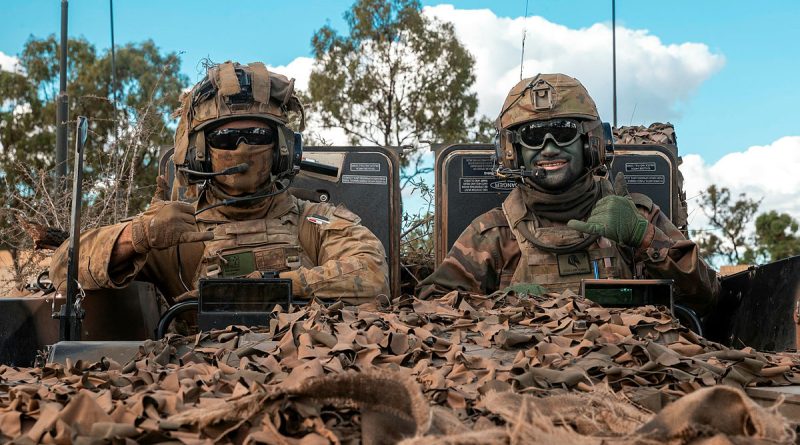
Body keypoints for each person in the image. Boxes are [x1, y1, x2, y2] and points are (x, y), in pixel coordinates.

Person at [50, 61, 390, 304]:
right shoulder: (173, 233)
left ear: (283, 149)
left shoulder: (315, 223)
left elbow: (371, 275)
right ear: (198, 152)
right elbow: (64, 267)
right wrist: (137, 237)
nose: (243, 147)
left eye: (257, 134)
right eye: (226, 138)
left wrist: (257, 289)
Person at [417, 73, 718, 314]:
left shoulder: (635, 216)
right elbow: (432, 307)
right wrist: (500, 306)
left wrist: (645, 238)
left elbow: (709, 297)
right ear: (513, 153)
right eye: (533, 137)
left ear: (591, 144)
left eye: (563, 132)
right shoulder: (494, 234)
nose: (549, 147)